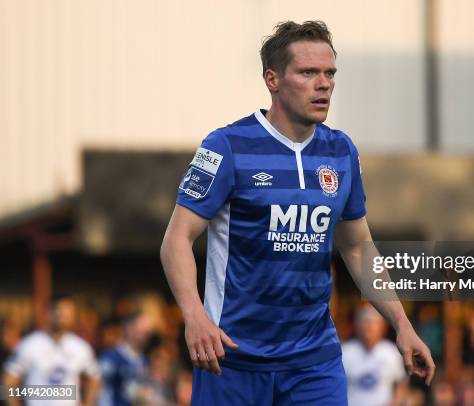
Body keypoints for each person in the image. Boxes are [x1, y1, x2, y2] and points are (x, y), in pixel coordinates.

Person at [160, 20, 435, 405]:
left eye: (329, 73)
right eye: (308, 72)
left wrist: (402, 325)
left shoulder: (341, 152)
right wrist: (194, 316)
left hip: (313, 363)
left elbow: (358, 248)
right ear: (272, 79)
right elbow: (176, 239)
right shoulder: (226, 146)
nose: (324, 84)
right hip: (232, 358)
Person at [2, 295, 101, 406]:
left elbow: (94, 378)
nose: (62, 317)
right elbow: (9, 381)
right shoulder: (29, 345)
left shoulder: (80, 347)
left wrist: (88, 403)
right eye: (59, 312)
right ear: (48, 313)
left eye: (67, 313)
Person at [342, 304, 406, 406]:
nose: (368, 327)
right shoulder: (345, 352)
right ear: (357, 326)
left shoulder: (391, 352)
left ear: (382, 326)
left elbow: (401, 385)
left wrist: (395, 403)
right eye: (364, 322)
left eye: (373, 323)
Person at [98, 311, 153, 406]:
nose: (146, 333)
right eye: (142, 330)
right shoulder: (111, 358)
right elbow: (96, 385)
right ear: (128, 329)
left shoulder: (145, 360)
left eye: (147, 331)